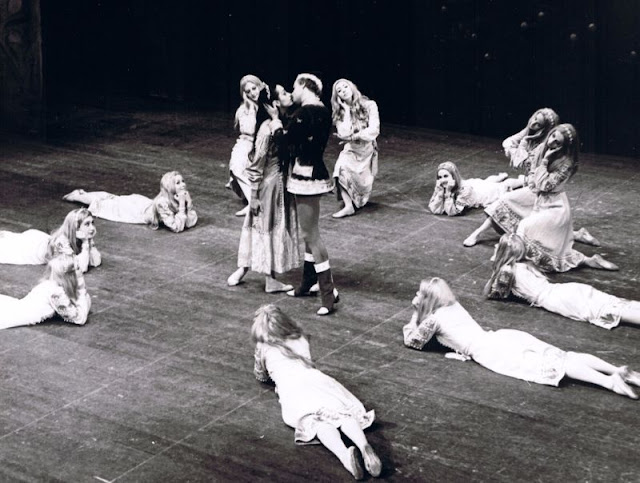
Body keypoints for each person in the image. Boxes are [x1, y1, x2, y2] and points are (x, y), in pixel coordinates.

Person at [403, 278, 640, 398]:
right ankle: (616, 370)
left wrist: (415, 313)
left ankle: (609, 382)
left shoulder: (433, 319)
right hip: (502, 337)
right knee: (563, 356)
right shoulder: (453, 305)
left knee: (557, 364)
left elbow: (413, 341)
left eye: (419, 293)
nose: (416, 295)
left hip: (491, 351)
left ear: (428, 299)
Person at [252, 304, 382, 480]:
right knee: (341, 412)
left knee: (317, 422)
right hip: (316, 379)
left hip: (292, 389)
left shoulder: (263, 346)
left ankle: (345, 456)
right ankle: (364, 446)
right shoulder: (300, 336)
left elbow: (260, 375)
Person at [463, 119, 599, 247]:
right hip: (535, 191)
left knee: (540, 232)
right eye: (552, 136)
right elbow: (526, 166)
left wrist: (545, 161)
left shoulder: (566, 163)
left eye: (557, 142)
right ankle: (477, 233)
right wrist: (524, 141)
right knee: (504, 201)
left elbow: (545, 185)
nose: (551, 142)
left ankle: (576, 234)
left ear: (564, 147)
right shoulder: (542, 148)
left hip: (551, 201)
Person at [272, 73, 338, 315]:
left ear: (304, 87)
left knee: (311, 235)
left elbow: (286, 141)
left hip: (305, 176)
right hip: (314, 172)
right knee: (309, 233)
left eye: (294, 87)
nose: (293, 92)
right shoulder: (322, 111)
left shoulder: (305, 113)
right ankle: (308, 282)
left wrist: (276, 125)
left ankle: (328, 294)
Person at [227, 86, 301, 292]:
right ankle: (268, 279)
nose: (289, 95)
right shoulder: (267, 129)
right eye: (284, 93)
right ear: (275, 104)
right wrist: (253, 195)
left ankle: (247, 270)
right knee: (265, 226)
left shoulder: (283, 124)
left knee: (264, 225)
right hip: (269, 184)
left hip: (280, 183)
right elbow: (257, 164)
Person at [485, 233, 640, 329]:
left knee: (606, 310)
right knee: (610, 302)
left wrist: (495, 270)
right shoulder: (526, 264)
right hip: (564, 289)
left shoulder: (507, 271)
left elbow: (491, 294)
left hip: (557, 299)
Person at [62, 171, 197, 233]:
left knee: (112, 199)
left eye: (182, 181)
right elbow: (176, 227)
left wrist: (188, 204)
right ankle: (78, 196)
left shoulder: (179, 196)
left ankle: (82, 194)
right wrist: (183, 206)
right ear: (169, 187)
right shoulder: (162, 202)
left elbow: (190, 222)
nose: (183, 184)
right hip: (135, 211)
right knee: (106, 204)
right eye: (178, 183)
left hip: (142, 203)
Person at [330, 79, 380, 219]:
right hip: (351, 149)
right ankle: (348, 206)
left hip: (366, 150)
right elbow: (344, 133)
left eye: (345, 87)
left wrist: (355, 136)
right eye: (339, 91)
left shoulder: (369, 105)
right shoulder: (340, 112)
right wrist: (346, 110)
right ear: (337, 96)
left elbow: (374, 130)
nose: (343, 91)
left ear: (352, 87)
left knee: (363, 185)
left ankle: (355, 199)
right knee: (340, 169)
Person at [0, 254, 92, 329]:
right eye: (78, 268)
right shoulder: (56, 293)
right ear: (70, 275)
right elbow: (80, 319)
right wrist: (81, 287)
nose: (81, 270)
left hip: (18, 307)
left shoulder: (52, 284)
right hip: (14, 315)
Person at [0, 208, 101, 273]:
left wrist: (89, 242)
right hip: (31, 248)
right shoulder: (62, 242)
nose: (92, 228)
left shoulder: (81, 237)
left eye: (92, 223)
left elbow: (96, 261)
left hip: (40, 239)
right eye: (87, 224)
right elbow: (81, 268)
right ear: (76, 227)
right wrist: (86, 244)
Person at [228, 74, 268, 217]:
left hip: (262, 143)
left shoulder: (266, 104)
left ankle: (255, 200)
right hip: (247, 142)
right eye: (248, 91)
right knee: (237, 167)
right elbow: (248, 131)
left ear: (259, 87)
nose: (252, 93)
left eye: (254, 88)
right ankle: (252, 202)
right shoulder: (245, 109)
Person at [428, 161, 524, 216]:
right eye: (440, 177)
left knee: (502, 186)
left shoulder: (464, 190)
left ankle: (522, 180)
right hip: (474, 184)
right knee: (486, 181)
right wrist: (439, 193)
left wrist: (448, 194)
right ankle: (500, 176)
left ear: (453, 176)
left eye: (446, 176)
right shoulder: (441, 186)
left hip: (482, 194)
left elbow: (453, 212)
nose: (442, 180)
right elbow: (434, 209)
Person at [502, 107, 559, 175]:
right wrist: (514, 152)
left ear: (544, 130)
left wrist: (521, 147)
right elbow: (507, 141)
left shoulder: (543, 145)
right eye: (535, 118)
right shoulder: (528, 131)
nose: (533, 123)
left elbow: (526, 164)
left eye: (538, 124)